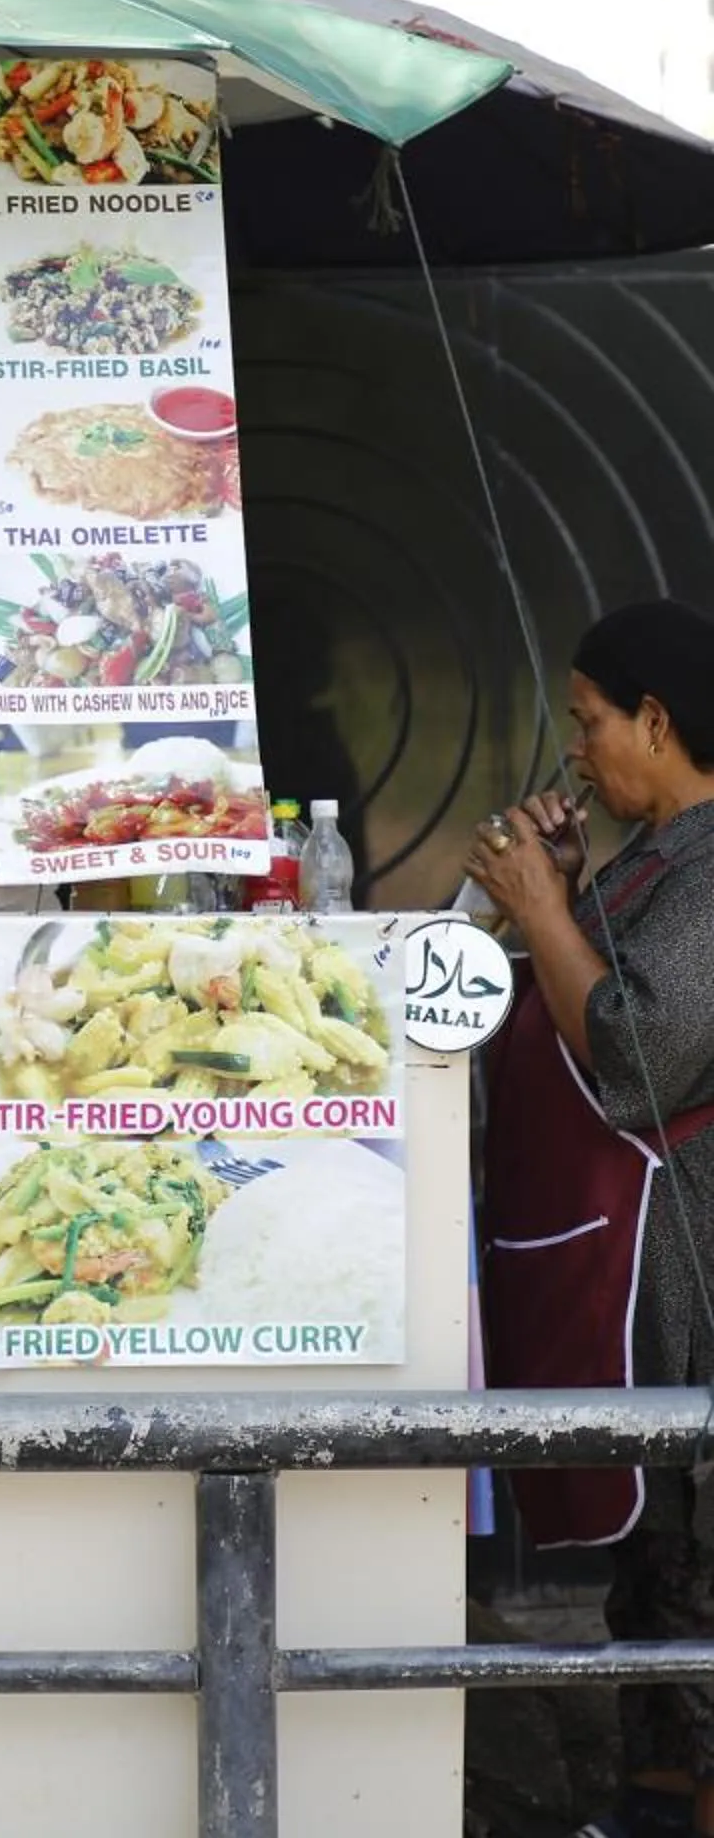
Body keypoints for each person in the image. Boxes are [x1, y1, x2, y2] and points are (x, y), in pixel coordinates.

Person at [466, 600, 714, 1838]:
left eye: (591, 721)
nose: (578, 750)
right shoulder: (661, 859)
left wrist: (551, 913)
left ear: (657, 722)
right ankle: (654, 1797)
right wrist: (555, 896)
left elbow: (644, 1053)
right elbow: (585, 996)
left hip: (689, 1289)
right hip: (637, 1295)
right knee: (651, 1581)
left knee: (693, 1588)